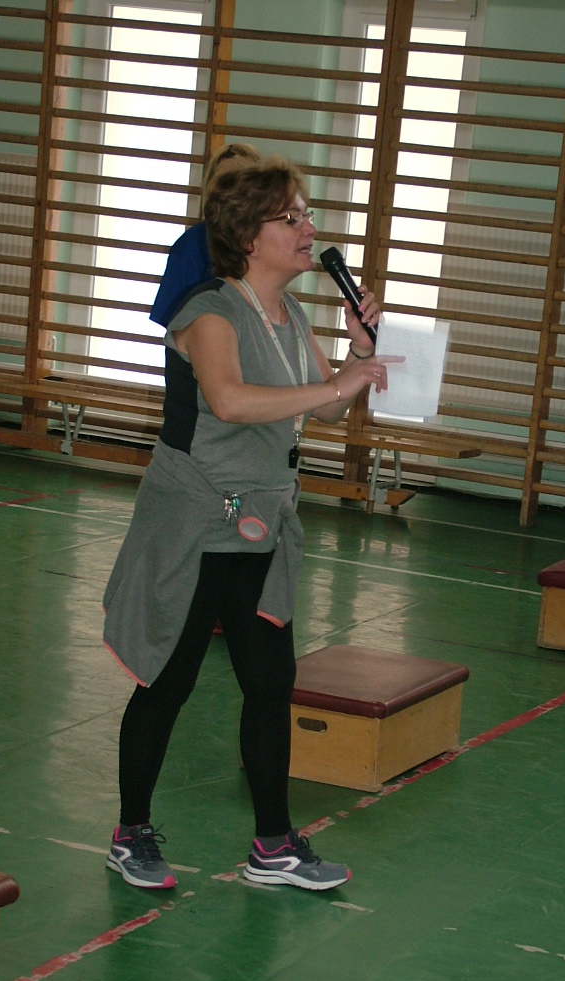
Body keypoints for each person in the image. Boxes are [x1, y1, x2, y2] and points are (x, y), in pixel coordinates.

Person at [103, 156, 398, 892]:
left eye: (306, 214)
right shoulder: (210, 310)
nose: (308, 228)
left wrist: (358, 354)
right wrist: (333, 385)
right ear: (247, 236)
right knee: (168, 682)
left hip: (260, 520)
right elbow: (230, 401)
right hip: (196, 518)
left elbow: (324, 406)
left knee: (270, 683)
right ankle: (130, 832)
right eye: (290, 217)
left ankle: (274, 844)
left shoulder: (290, 315)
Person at [149, 143, 261, 330]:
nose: (235, 190)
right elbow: (175, 322)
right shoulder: (192, 244)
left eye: (244, 180)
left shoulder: (270, 240)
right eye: (226, 182)